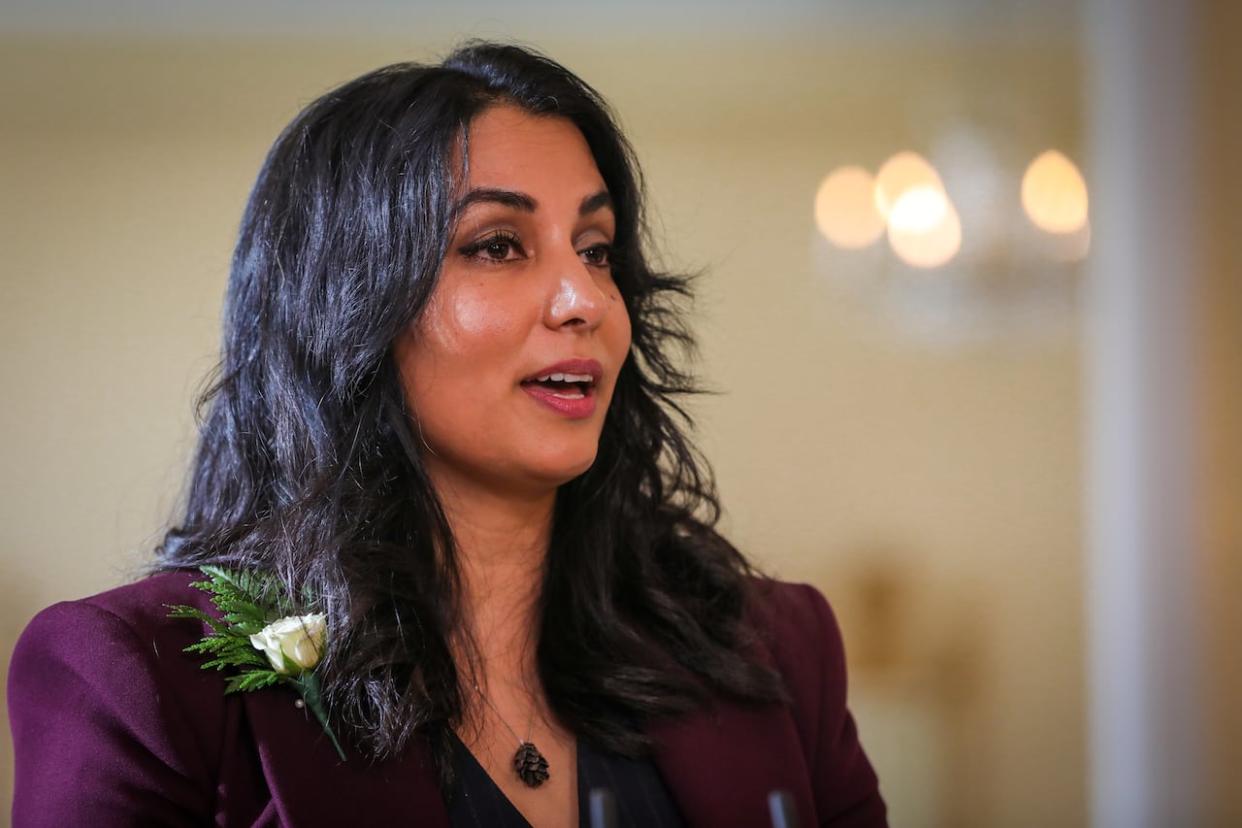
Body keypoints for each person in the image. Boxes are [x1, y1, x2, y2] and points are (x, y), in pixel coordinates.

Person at [7, 41, 886, 827]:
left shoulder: (777, 647)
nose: (584, 299)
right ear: (349, 307)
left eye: (596, 247)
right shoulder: (142, 679)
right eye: (498, 245)